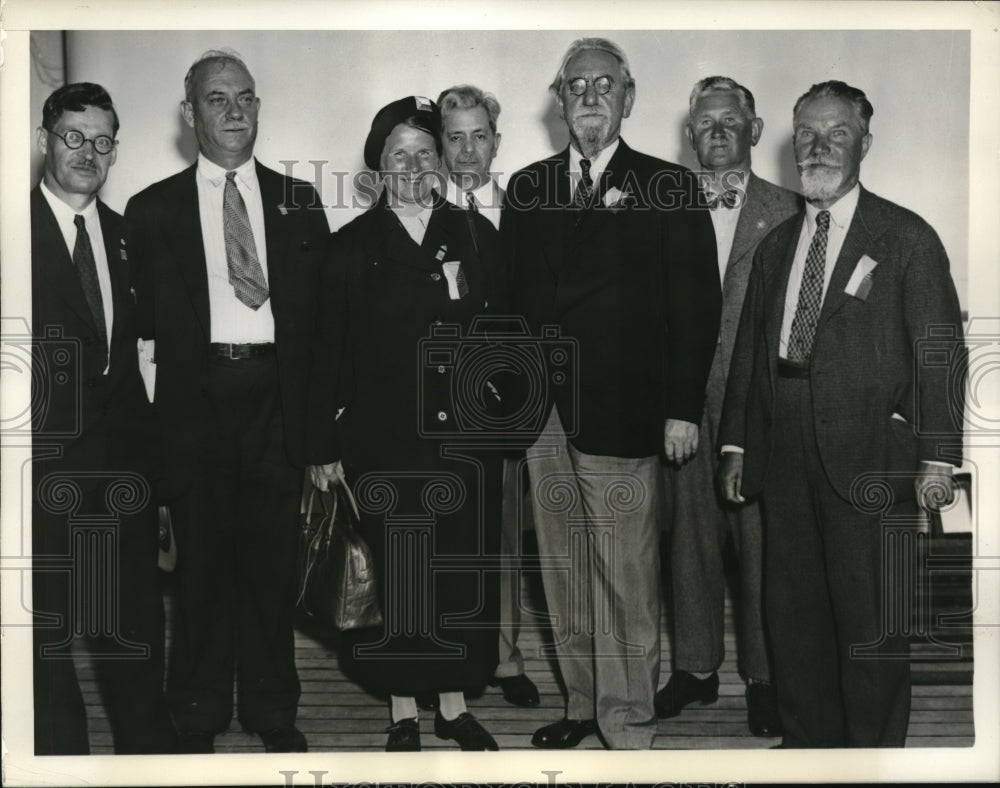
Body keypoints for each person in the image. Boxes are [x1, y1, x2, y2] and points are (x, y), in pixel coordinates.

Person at [718, 80, 965, 747]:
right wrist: (737, 444)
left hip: (869, 455)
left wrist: (936, 456)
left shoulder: (906, 237)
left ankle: (875, 755)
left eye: (836, 132)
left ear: (864, 143)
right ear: (789, 139)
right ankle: (809, 746)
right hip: (784, 444)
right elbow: (749, 352)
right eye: (806, 133)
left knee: (870, 619)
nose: (818, 146)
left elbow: (939, 353)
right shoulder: (775, 248)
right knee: (792, 613)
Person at [502, 38, 721, 749]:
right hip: (546, 420)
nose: (590, 96)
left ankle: (626, 722)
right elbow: (509, 304)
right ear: (558, 101)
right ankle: (581, 703)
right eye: (577, 86)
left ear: (628, 97)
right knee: (563, 569)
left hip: (624, 415)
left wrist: (683, 408)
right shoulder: (528, 188)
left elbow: (697, 308)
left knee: (625, 575)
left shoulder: (669, 186)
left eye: (605, 84)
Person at [124, 50, 330, 753]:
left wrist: (319, 433)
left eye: (245, 97)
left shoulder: (301, 202)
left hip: (277, 399)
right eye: (217, 99)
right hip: (196, 402)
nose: (235, 110)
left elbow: (323, 326)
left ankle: (274, 711)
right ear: (190, 115)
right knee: (204, 568)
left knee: (272, 568)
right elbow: (141, 338)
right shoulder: (150, 211)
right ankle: (198, 712)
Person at [307, 96, 505, 752]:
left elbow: (504, 335)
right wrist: (325, 446)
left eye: (425, 152)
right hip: (384, 441)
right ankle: (402, 710)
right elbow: (324, 352)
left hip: (461, 441)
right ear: (378, 166)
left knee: (455, 572)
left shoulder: (475, 235)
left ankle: (452, 706)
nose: (414, 165)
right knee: (398, 575)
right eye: (400, 154)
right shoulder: (350, 247)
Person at [31, 82, 174, 754]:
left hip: (124, 473)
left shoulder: (125, 236)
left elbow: (139, 357)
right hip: (39, 474)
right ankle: (62, 764)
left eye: (102, 140)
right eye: (73, 136)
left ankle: (145, 756)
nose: (88, 152)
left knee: (134, 626)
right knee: (47, 638)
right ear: (44, 140)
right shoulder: (10, 232)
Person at [656, 76, 799, 737]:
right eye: (705, 122)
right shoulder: (659, 205)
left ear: (755, 130)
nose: (717, 131)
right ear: (689, 136)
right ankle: (694, 669)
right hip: (684, 400)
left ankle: (766, 679)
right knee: (689, 539)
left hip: (759, 403)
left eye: (730, 121)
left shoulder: (793, 212)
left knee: (762, 544)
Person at [436, 82, 541, 710]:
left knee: (500, 536)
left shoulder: (520, 213)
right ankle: (442, 664)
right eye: (455, 137)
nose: (468, 151)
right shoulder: (417, 212)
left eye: (480, 136)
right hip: (434, 407)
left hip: (500, 404)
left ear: (497, 143)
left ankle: (502, 658)